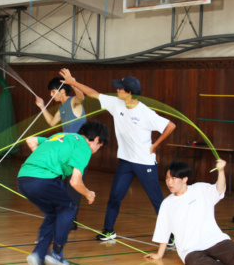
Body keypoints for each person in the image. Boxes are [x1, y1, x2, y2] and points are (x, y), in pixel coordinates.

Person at [59, 68, 176, 241]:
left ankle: (171, 235)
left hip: (144, 162)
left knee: (157, 200)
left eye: (120, 88)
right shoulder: (116, 103)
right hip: (126, 161)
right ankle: (109, 230)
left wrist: (155, 146)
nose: (117, 90)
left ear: (129, 93)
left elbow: (170, 125)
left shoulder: (145, 113)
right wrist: (72, 82)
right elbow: (93, 94)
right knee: (115, 196)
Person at [18, 121, 109, 265]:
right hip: (43, 178)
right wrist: (88, 194)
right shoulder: (84, 147)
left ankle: (38, 255)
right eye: (100, 145)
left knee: (53, 215)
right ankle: (57, 253)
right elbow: (75, 182)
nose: (97, 149)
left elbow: (30, 140)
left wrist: (43, 158)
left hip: (23, 178)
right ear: (95, 139)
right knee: (69, 208)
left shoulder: (60, 136)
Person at [35, 76, 86, 231]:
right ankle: (69, 219)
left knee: (73, 186)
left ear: (62, 91)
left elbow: (82, 96)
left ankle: (70, 221)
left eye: (53, 92)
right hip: (66, 152)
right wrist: (42, 106)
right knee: (63, 185)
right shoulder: (62, 107)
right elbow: (52, 123)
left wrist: (72, 82)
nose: (51, 95)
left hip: (77, 152)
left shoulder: (73, 102)